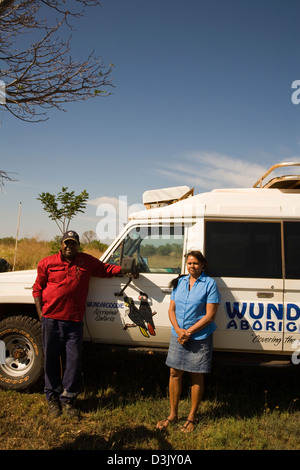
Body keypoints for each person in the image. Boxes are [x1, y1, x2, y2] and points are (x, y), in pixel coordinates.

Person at [32, 230, 133, 417]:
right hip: (51, 319)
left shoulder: (86, 261)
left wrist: (125, 269)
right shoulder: (47, 263)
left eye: (73, 243)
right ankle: (52, 398)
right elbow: (37, 288)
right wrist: (40, 313)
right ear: (61, 245)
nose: (70, 247)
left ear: (78, 245)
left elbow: (106, 269)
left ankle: (68, 400)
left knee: (74, 361)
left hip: (74, 321)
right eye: (67, 243)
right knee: (51, 360)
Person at [156, 250, 220, 433]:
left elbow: (210, 316)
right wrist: (178, 330)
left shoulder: (210, 284)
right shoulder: (180, 282)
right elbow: (171, 310)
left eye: (196, 263)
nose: (192, 266)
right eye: (189, 263)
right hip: (179, 335)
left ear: (203, 265)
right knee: (175, 372)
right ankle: (173, 414)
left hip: (199, 336)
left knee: (196, 374)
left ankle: (192, 417)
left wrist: (189, 332)